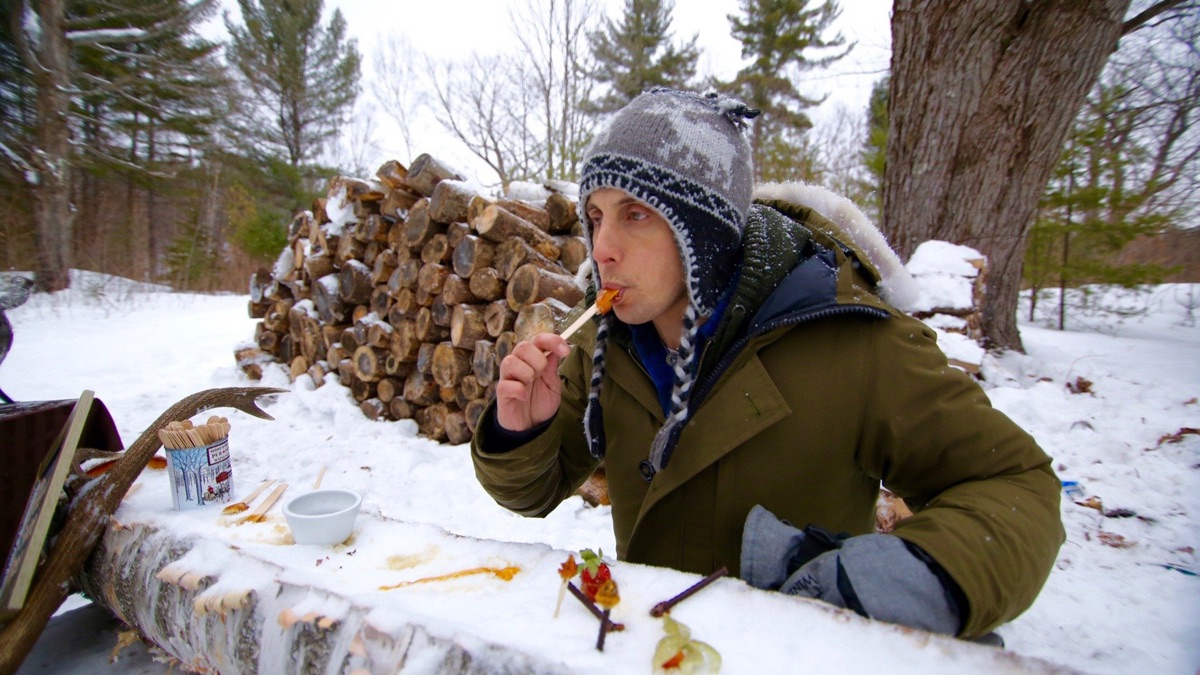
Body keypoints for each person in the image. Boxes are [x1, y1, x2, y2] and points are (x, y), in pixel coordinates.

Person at [471, 88, 1063, 641]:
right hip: (655, 650)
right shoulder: (606, 344)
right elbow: (532, 492)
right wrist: (520, 431)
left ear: (700, 232)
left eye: (635, 214)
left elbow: (1015, 484)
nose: (601, 247)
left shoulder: (850, 339)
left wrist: (892, 581)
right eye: (595, 216)